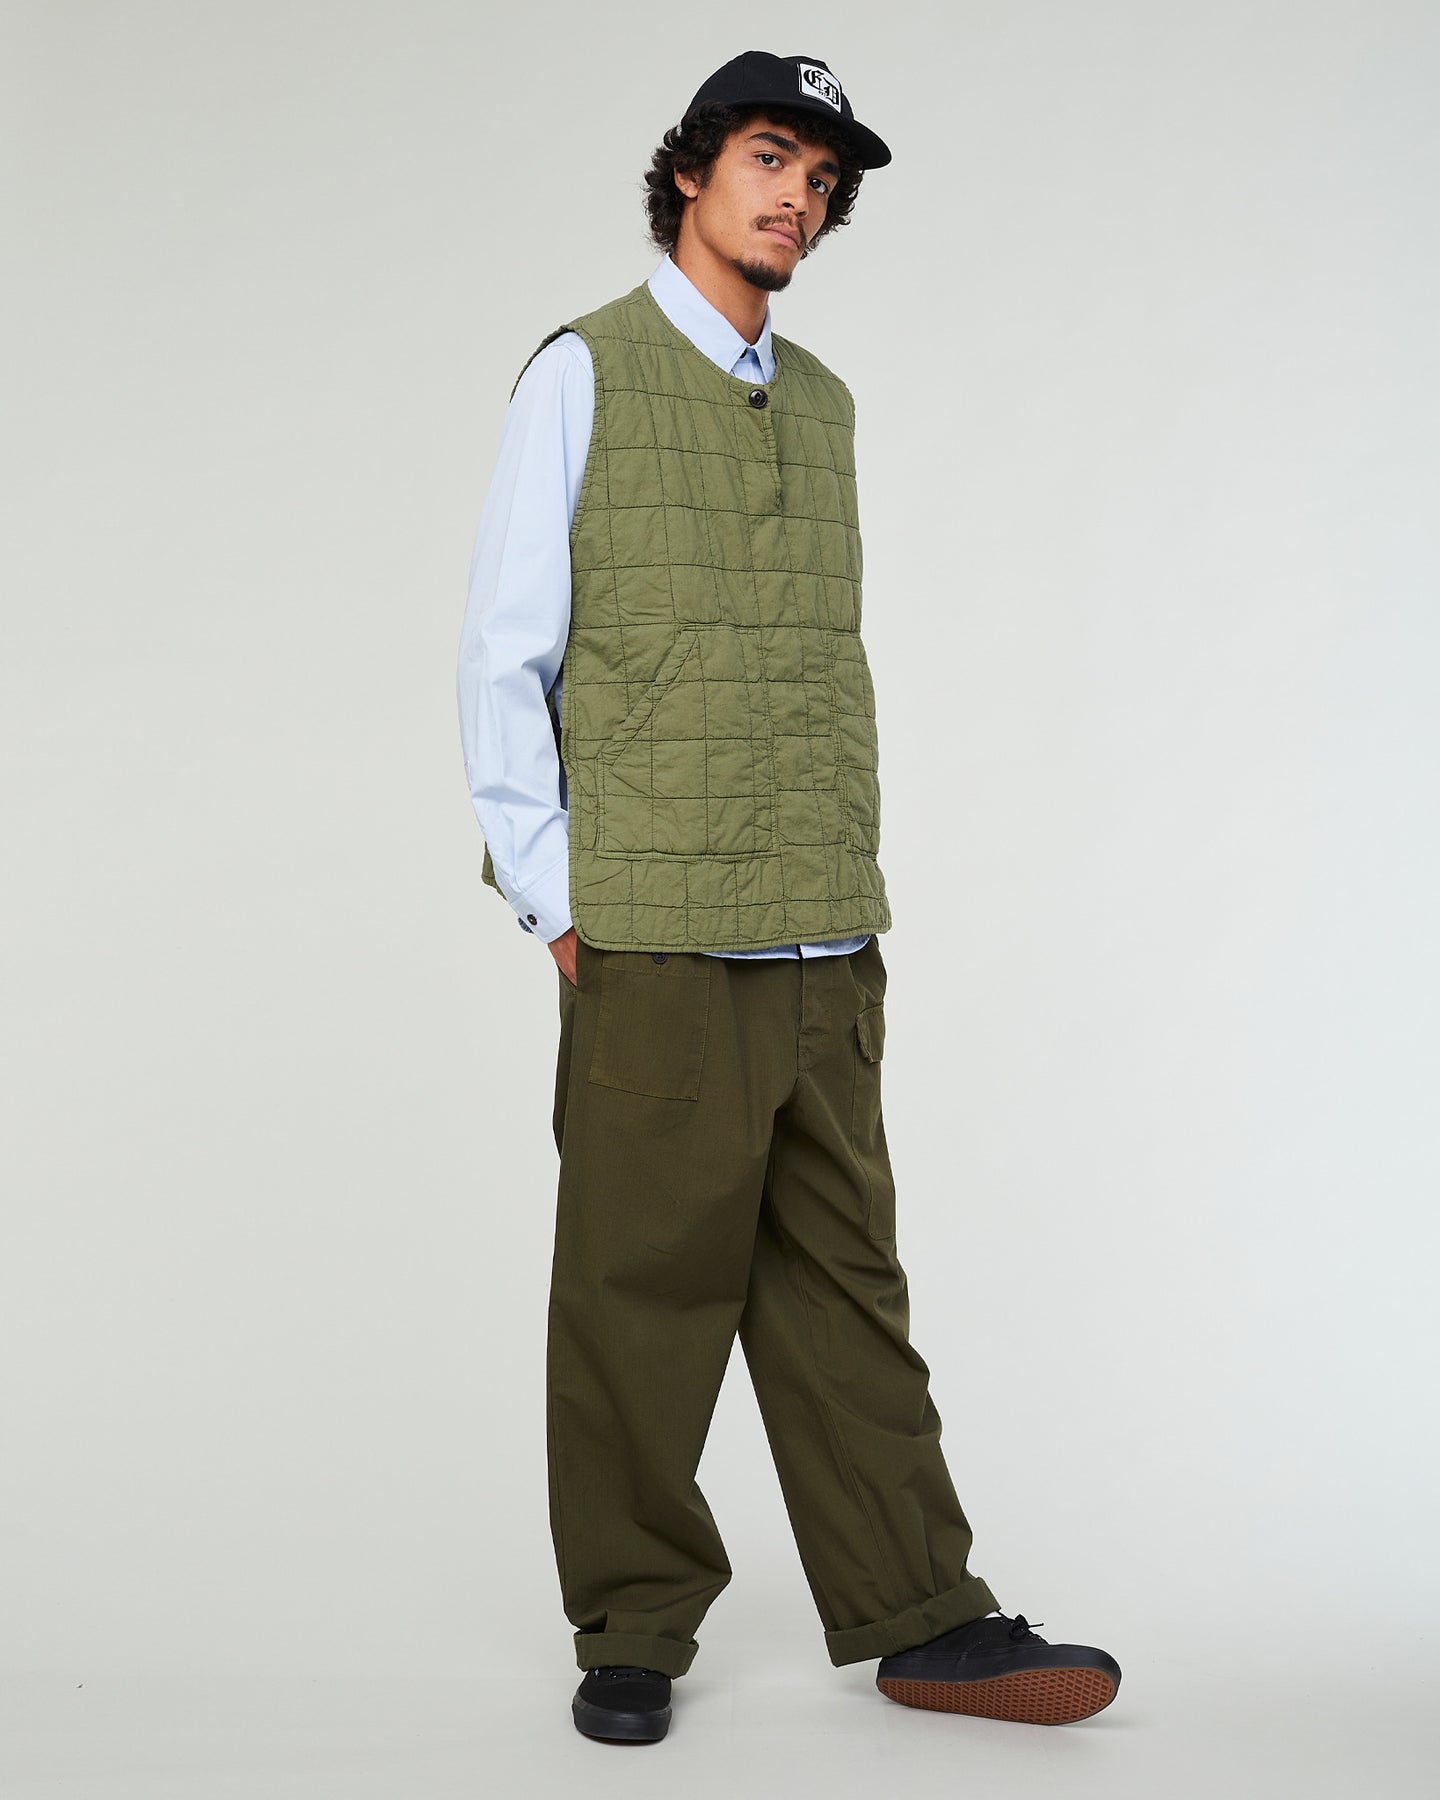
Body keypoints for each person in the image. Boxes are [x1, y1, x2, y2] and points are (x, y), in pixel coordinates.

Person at [456, 49, 1121, 1745]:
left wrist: (849, 891)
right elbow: (506, 651)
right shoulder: (583, 372)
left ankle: (922, 1613)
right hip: (658, 933)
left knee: (847, 1287)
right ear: (691, 169)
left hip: (826, 928)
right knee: (639, 1292)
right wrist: (556, 900)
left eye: (823, 181)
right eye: (771, 158)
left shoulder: (822, 404)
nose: (798, 200)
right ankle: (632, 1625)